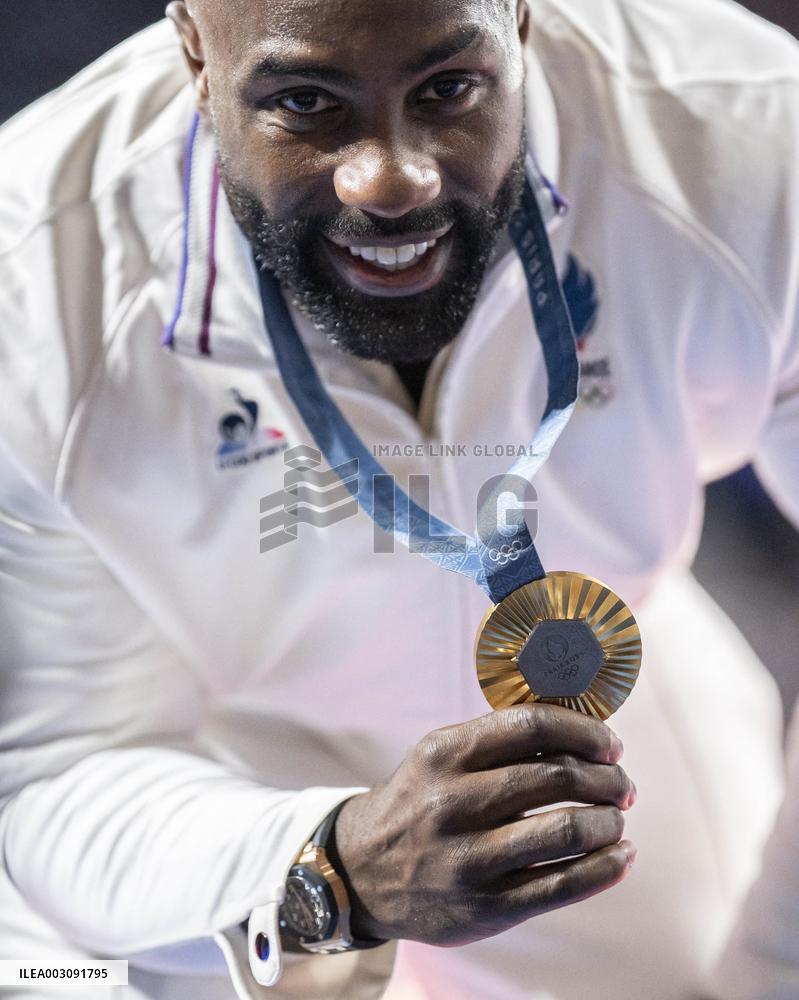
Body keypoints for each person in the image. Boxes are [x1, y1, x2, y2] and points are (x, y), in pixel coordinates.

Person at [0, 1, 797, 998]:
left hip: (590, 692)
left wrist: (777, 970)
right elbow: (49, 769)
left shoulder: (746, 137)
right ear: (196, 56)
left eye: (447, 88)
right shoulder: (30, 284)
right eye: (304, 101)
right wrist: (329, 869)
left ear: (520, 22)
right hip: (196, 758)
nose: (391, 177)